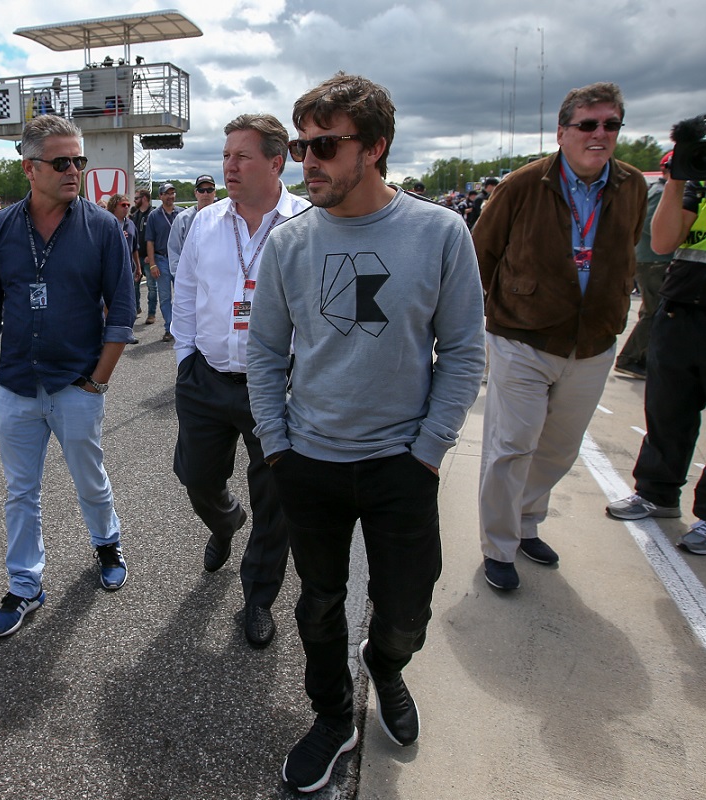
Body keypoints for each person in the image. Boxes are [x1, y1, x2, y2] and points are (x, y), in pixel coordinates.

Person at [246, 72, 484, 794]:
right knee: (317, 602)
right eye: (298, 146)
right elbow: (263, 353)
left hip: (400, 465)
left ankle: (388, 665)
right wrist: (277, 445)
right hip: (309, 459)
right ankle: (331, 716)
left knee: (407, 606)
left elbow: (465, 353)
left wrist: (428, 452)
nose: (306, 161)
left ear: (375, 148)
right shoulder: (289, 244)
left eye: (325, 145)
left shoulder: (439, 233)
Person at [474, 82, 647, 591]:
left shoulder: (632, 186)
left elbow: (628, 245)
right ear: (562, 132)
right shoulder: (524, 184)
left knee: (558, 448)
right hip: (521, 336)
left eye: (610, 124)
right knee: (511, 445)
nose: (600, 134)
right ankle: (498, 546)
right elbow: (481, 253)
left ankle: (526, 524)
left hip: (592, 343)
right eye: (588, 125)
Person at [0, 114, 133, 638]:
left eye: (79, 160)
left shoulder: (103, 227)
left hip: (76, 384)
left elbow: (123, 311)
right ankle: (24, 585)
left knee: (90, 477)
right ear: (29, 169)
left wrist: (99, 381)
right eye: (61, 162)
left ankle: (107, 543)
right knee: (20, 491)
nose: (74, 170)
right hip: (16, 384)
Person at [170, 116, 308, 649]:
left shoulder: (305, 223)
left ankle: (258, 597)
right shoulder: (205, 222)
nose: (228, 166)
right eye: (226, 155)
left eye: (242, 156)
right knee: (197, 477)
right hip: (205, 377)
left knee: (274, 496)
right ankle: (225, 522)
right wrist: (185, 358)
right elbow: (184, 292)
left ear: (276, 162)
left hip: (274, 383)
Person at [605, 160, 706, 554]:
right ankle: (657, 492)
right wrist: (679, 179)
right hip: (682, 303)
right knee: (668, 408)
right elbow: (663, 242)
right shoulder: (694, 185)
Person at [613, 150, 676, 379]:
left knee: (652, 311)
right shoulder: (662, 192)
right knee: (654, 312)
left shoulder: (660, 190)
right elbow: (650, 225)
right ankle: (630, 358)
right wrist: (672, 237)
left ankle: (640, 357)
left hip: (652, 260)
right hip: (654, 260)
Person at [145, 182, 179, 342]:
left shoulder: (181, 213)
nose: (170, 196)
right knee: (165, 297)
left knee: (183, 296)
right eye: (167, 193)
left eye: (172, 193)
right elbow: (150, 241)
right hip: (161, 258)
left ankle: (183, 328)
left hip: (179, 259)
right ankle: (169, 328)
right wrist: (152, 264)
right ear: (160, 196)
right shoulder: (154, 216)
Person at [168, 173, 216, 276]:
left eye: (210, 190)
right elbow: (174, 249)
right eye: (201, 190)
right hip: (189, 277)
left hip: (215, 277)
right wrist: (178, 275)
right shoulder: (183, 219)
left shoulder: (224, 218)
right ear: (196, 193)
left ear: (214, 193)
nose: (205, 194)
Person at [130, 187, 152, 318]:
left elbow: (155, 236)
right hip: (137, 255)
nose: (134, 201)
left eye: (136, 198)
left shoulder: (153, 214)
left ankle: (152, 313)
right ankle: (136, 308)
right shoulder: (134, 216)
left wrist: (151, 255)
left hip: (149, 257)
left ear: (144, 198)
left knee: (152, 287)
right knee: (134, 285)